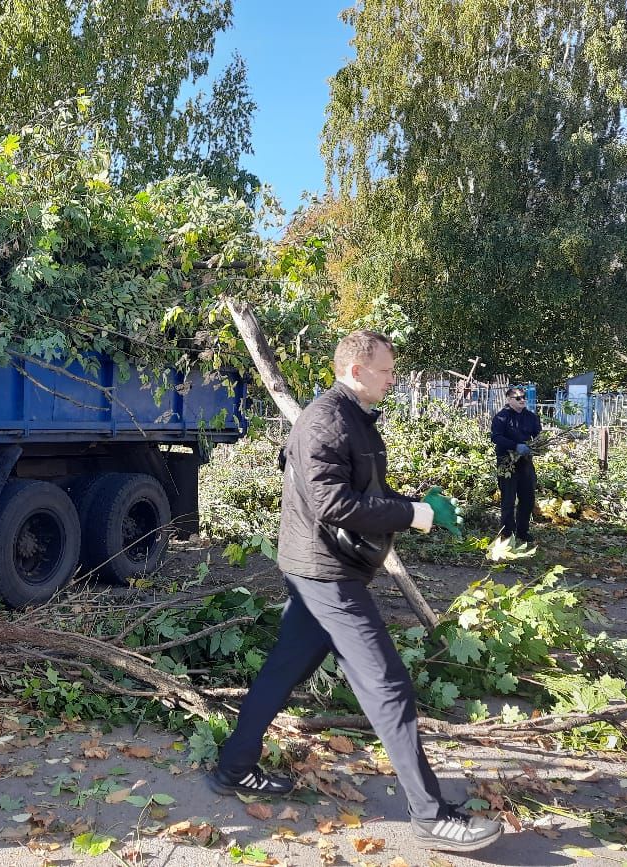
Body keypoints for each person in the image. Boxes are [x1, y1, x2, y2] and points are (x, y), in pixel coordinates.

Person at [208, 330, 501, 854]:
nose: (393, 379)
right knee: (388, 686)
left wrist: (418, 505)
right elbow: (332, 505)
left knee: (283, 671)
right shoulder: (323, 420)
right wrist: (412, 514)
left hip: (326, 570)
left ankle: (233, 767)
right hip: (326, 574)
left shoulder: (356, 420)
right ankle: (431, 817)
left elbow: (366, 491)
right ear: (357, 369)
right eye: (387, 371)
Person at [490, 387, 541, 544]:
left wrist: (535, 446)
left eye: (523, 397)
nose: (522, 400)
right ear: (509, 400)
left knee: (527, 498)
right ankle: (507, 532)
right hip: (507, 462)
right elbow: (496, 438)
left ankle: (523, 532)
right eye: (518, 398)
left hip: (525, 462)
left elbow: (538, 435)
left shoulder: (531, 417)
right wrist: (515, 446)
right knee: (508, 498)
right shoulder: (501, 418)